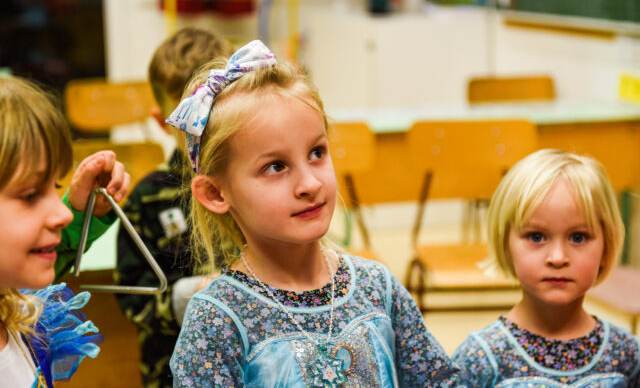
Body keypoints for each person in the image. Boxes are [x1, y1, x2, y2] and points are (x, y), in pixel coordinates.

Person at [167, 40, 459, 387]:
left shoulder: (377, 287)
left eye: (317, 153)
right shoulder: (217, 319)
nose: (309, 183)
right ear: (216, 193)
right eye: (276, 166)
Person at [453, 149, 640, 386]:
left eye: (578, 237)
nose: (558, 258)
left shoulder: (626, 355)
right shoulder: (479, 359)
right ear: (506, 246)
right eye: (537, 236)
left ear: (606, 246)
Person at [114, 27, 232, 387]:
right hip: (172, 373)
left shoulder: (254, 184)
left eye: (214, 111)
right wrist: (195, 293)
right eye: (189, 118)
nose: (203, 129)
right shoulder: (147, 199)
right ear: (161, 122)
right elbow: (133, 296)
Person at [0, 75, 130, 387]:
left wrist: (85, 211)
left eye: (55, 186)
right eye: (31, 195)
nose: (62, 213)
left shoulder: (20, 314)